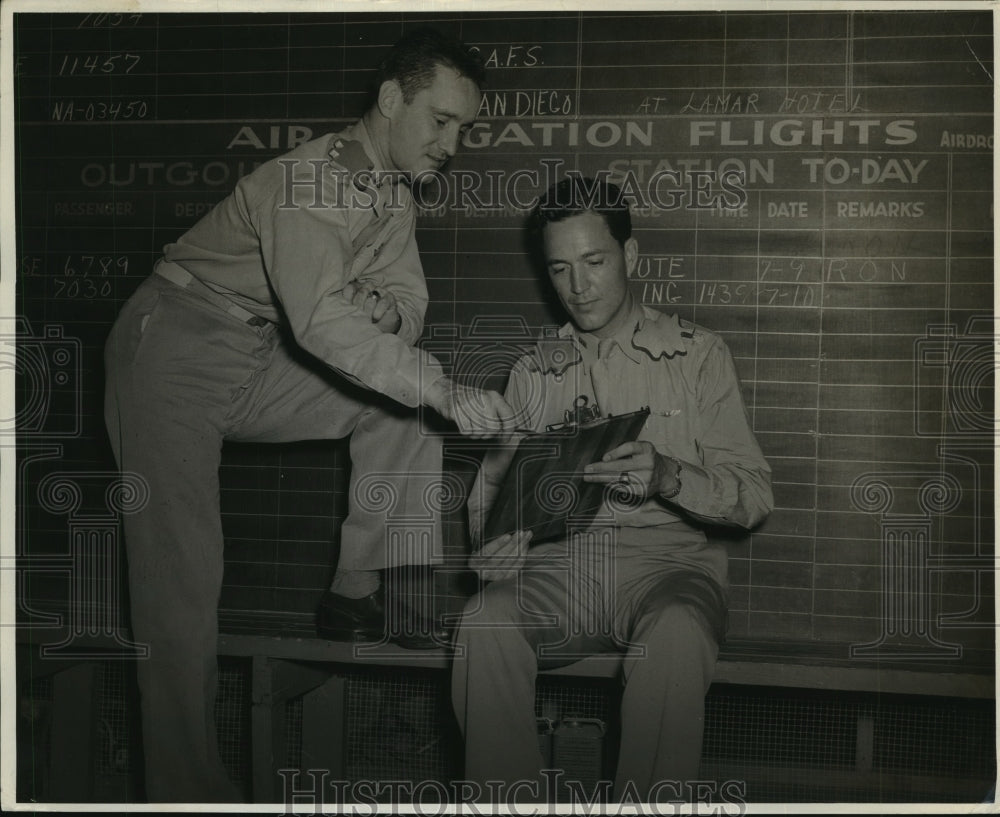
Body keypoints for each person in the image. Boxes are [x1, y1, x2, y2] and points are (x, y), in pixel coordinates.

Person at [104, 28, 514, 803]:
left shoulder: (393, 192)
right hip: (174, 348)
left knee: (402, 407)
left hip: (258, 359)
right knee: (182, 579)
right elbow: (323, 324)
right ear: (392, 100)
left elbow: (408, 304)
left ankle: (360, 589)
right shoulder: (309, 181)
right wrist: (429, 375)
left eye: (464, 128)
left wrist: (387, 316)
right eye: (441, 121)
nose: (452, 145)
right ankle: (185, 789)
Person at [451, 177, 773, 804]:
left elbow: (754, 494)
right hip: (564, 570)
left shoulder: (699, 354)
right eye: (561, 268)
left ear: (632, 256)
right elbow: (488, 495)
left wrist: (671, 476)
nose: (578, 287)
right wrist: (494, 547)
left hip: (670, 567)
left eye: (595, 262)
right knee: (483, 623)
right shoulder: (532, 372)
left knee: (677, 633)